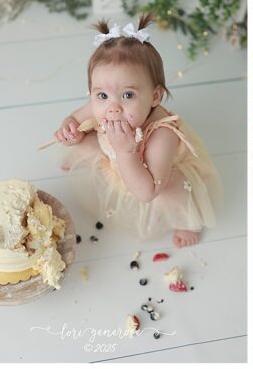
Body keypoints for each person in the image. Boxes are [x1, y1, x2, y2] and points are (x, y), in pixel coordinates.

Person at [52, 14, 222, 247]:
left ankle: (185, 222)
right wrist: (69, 129)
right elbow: (75, 118)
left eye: (128, 95)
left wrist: (126, 152)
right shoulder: (101, 106)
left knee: (171, 196)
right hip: (117, 155)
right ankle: (84, 155)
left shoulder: (163, 134)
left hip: (154, 176)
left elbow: (147, 192)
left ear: (154, 96)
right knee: (82, 141)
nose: (113, 107)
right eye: (102, 95)